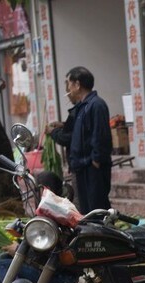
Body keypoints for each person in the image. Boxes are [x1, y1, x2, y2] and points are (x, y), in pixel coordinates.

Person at [0, 172, 77, 283]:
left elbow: (43, 255)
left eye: (36, 190)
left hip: (60, 277)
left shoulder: (54, 215)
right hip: (53, 270)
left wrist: (16, 250)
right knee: (3, 258)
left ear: (45, 190)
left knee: (3, 265)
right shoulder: (55, 208)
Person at [46, 66, 112, 213]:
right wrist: (62, 125)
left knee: (97, 208)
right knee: (87, 210)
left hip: (92, 167)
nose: (67, 88)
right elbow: (80, 132)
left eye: (69, 83)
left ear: (77, 84)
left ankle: (102, 235)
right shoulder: (83, 107)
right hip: (81, 167)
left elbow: (100, 136)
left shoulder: (96, 105)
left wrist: (96, 160)